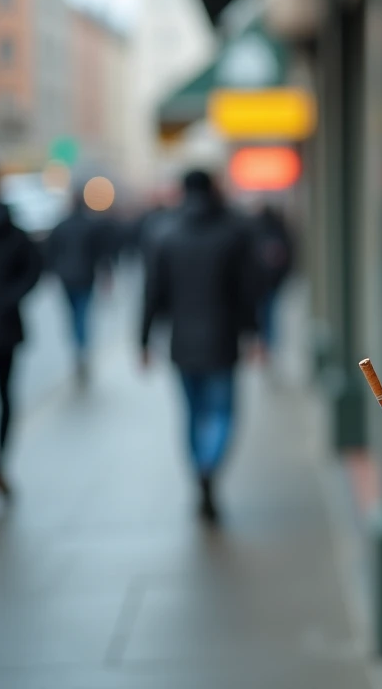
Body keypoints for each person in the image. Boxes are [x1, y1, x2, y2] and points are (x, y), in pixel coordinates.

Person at [141, 170, 260, 523]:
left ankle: (200, 471)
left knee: (193, 413)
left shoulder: (165, 234)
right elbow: (248, 291)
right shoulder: (234, 234)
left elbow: (152, 293)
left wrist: (143, 339)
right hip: (223, 340)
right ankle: (210, 467)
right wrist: (254, 333)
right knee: (222, 413)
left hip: (182, 343)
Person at [0, 167, 42, 503]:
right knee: (4, 398)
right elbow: (34, 270)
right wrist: (8, 299)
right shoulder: (14, 230)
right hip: (5, 329)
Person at [45, 191, 111, 386]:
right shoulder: (90, 225)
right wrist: (107, 274)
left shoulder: (61, 226)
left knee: (73, 315)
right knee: (83, 314)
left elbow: (51, 252)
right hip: (85, 277)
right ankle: (81, 347)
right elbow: (101, 252)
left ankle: (77, 347)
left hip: (66, 278)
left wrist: (53, 272)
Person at [250, 203, 294, 356]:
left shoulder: (255, 231)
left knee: (264, 313)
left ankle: (266, 343)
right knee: (269, 313)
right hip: (271, 282)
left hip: (263, 282)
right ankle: (268, 343)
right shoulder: (278, 231)